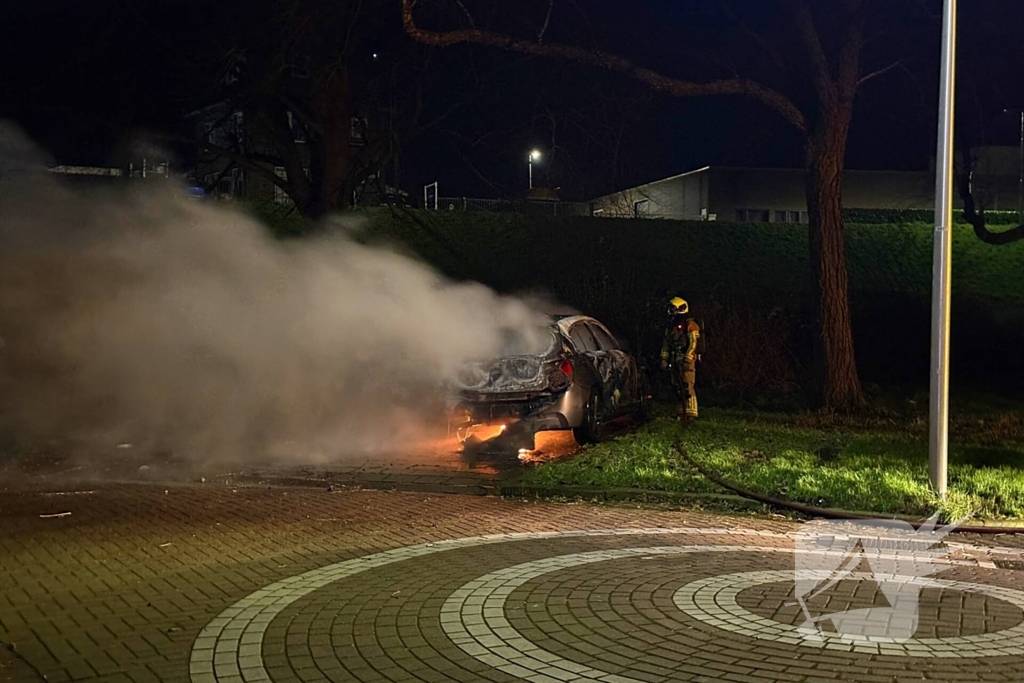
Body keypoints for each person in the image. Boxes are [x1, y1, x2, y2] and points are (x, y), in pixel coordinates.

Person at [660, 296, 701, 420]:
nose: (670, 312)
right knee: (676, 385)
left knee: (687, 384)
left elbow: (694, 343)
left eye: (673, 308)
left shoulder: (690, 325)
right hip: (674, 359)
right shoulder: (671, 327)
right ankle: (681, 412)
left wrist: (688, 358)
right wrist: (664, 359)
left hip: (686, 360)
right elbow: (666, 344)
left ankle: (691, 413)